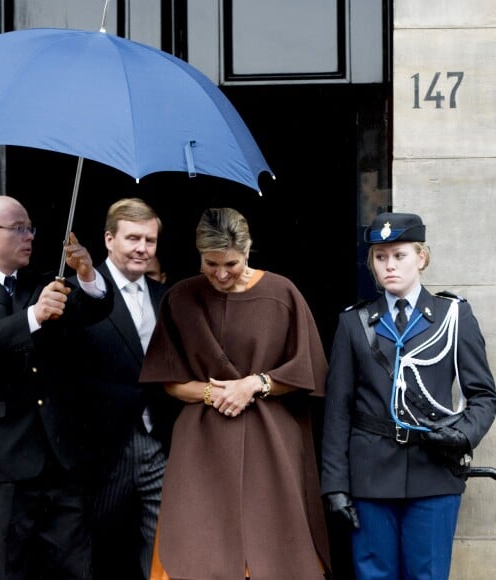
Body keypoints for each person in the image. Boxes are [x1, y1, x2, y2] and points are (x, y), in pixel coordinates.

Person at [139, 207, 331, 580]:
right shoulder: (180, 298)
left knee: (276, 550)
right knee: (194, 549)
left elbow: (309, 370)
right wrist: (213, 393)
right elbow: (167, 379)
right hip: (201, 441)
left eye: (232, 263)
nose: (222, 274)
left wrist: (254, 384)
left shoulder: (282, 292)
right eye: (211, 264)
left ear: (248, 250)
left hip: (270, 438)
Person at [0, 194, 113, 580]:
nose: (30, 236)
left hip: (60, 462)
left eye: (31, 227)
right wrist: (33, 316)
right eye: (18, 228)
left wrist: (86, 274)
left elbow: (91, 309)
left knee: (74, 569)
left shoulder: (46, 283)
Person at [321, 211, 496, 580]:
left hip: (433, 472)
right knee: (374, 575)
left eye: (399, 255)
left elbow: (483, 395)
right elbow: (337, 409)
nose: (389, 266)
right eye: (380, 257)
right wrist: (335, 485)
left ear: (421, 257)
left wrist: (464, 434)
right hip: (369, 475)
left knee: (428, 574)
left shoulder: (452, 316)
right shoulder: (354, 322)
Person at [73, 198, 179, 580]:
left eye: (150, 241)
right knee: (97, 555)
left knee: (164, 555)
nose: (142, 248)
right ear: (108, 239)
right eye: (133, 238)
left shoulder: (167, 298)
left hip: (158, 443)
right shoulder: (76, 292)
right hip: (100, 450)